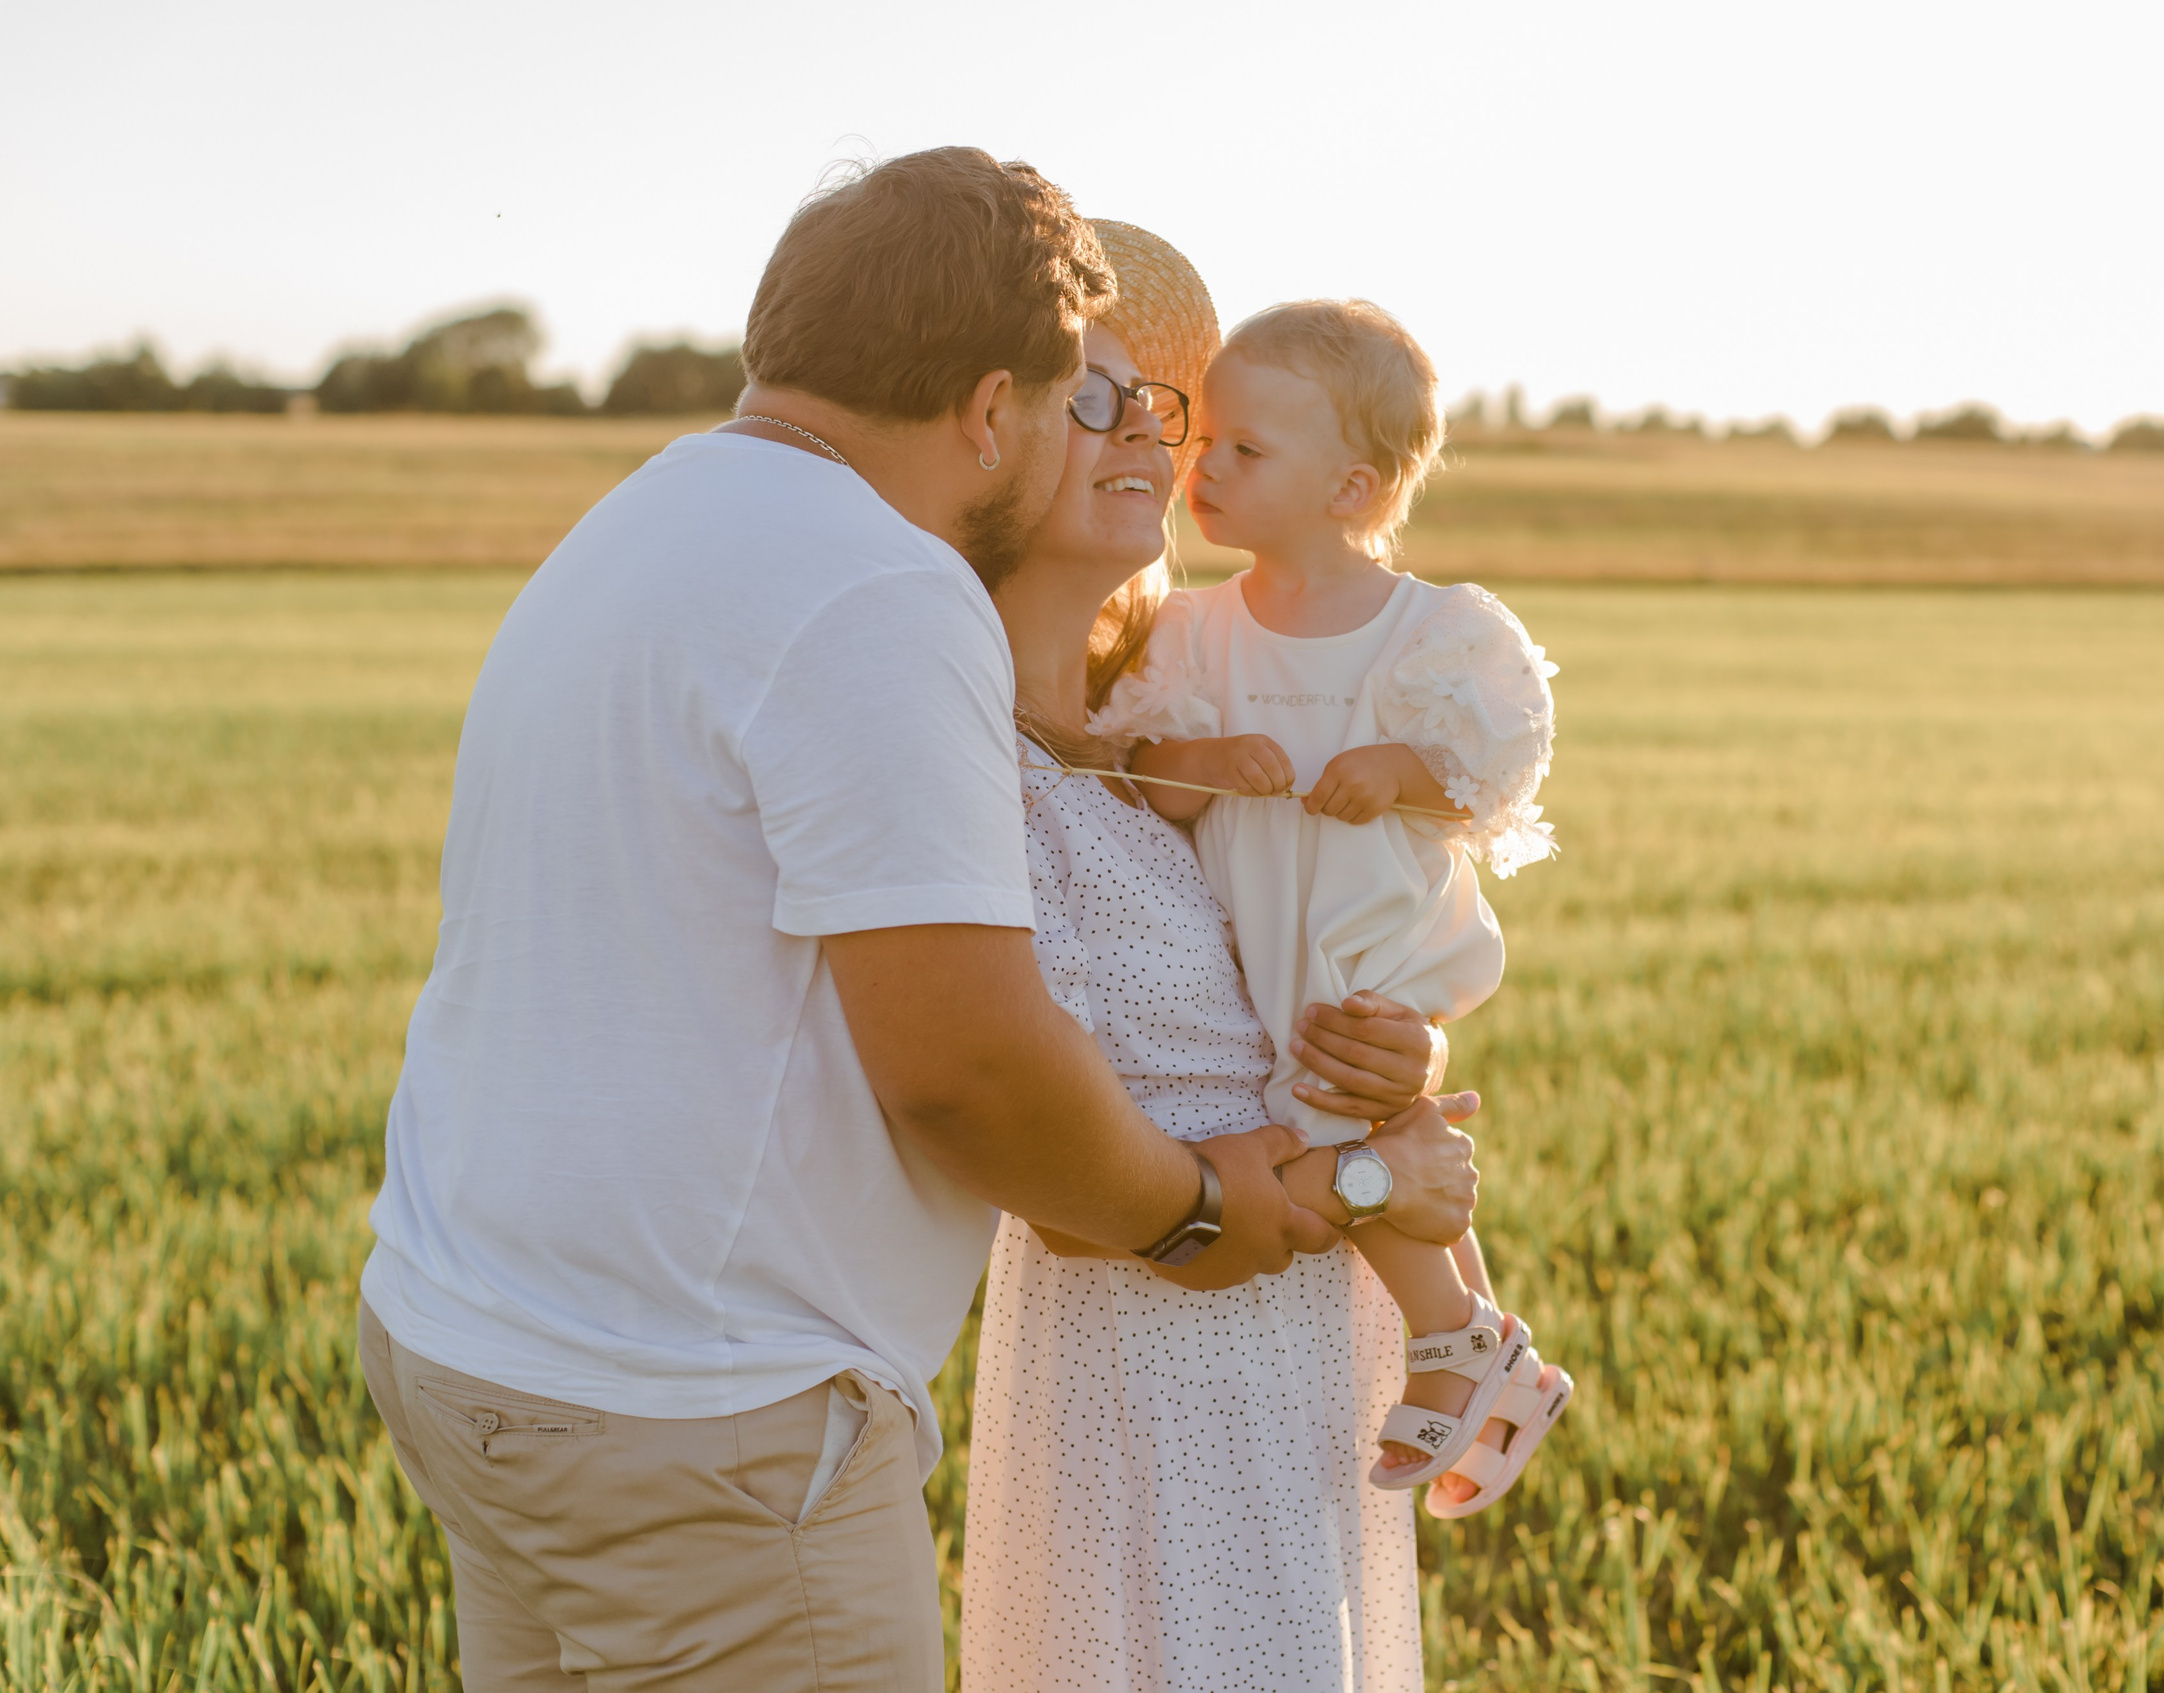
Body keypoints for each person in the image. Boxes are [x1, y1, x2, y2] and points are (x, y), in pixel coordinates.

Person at [355, 151, 1429, 1692]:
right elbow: (967, 1066)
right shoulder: (881, 588)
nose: (1114, 433)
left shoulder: (651, 512)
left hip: (469, 1339)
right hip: (700, 1416)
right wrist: (1198, 1211)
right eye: (1080, 397)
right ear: (995, 409)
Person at [960, 223, 1483, 1693]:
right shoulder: (966, 754)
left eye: (1161, 404)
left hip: (1298, 1348)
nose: (1149, 430)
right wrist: (1373, 1179)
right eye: (1094, 395)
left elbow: (1282, 959)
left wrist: (1407, 1054)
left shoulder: (1154, 725)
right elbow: (1044, 1151)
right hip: (1143, 1367)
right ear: (986, 438)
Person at [1090, 299, 1572, 1515]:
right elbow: (1147, 775)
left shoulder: (1434, 632)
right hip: (1263, 924)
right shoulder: (1195, 632)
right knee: (1364, 1107)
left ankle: (1451, 1331)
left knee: (1337, 1087)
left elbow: (1492, 770)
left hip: (1366, 926)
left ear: (1352, 486)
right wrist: (1207, 766)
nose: (1206, 466)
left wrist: (1398, 773)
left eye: (1249, 451)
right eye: (1212, 440)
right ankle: (1494, 1351)